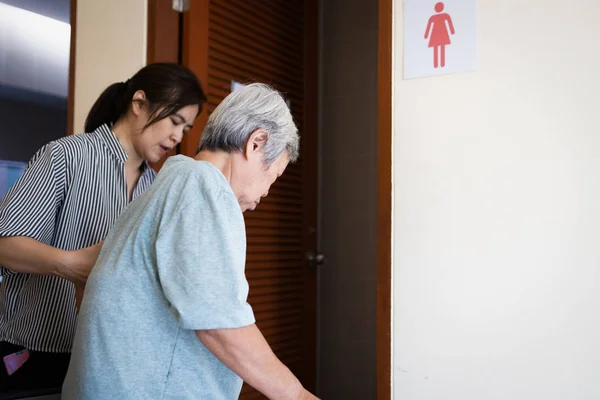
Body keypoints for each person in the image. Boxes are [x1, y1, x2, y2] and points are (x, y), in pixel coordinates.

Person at [62, 83, 318, 399]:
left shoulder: (165, 187)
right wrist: (297, 395)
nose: (265, 193)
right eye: (272, 176)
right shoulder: (202, 186)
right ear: (256, 142)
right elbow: (217, 323)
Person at [0, 62, 206, 392]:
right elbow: (5, 246)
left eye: (186, 129)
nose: (178, 137)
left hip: (108, 360)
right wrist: (72, 266)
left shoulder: (156, 189)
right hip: (33, 355)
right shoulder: (65, 156)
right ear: (139, 103)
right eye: (175, 121)